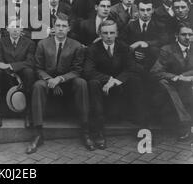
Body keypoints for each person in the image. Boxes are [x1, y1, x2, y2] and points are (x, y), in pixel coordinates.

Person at [27, 14, 93, 154]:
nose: (61, 29)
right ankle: (38, 133)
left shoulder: (76, 46)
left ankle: (85, 131)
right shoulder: (43, 44)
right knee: (38, 86)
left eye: (64, 26)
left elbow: (77, 70)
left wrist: (60, 79)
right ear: (53, 27)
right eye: (58, 25)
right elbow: (38, 68)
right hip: (48, 81)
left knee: (81, 83)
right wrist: (50, 80)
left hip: (67, 82)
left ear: (69, 28)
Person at [84, 20, 146, 149]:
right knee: (93, 83)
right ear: (100, 34)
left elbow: (131, 68)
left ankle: (143, 127)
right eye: (105, 33)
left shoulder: (124, 47)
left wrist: (116, 81)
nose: (108, 36)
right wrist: (108, 79)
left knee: (136, 80)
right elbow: (88, 71)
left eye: (112, 32)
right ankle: (98, 132)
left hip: (120, 87)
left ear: (117, 33)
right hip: (102, 86)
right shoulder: (92, 49)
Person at [151, 23, 193, 141]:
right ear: (177, 36)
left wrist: (186, 76)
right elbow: (155, 71)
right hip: (170, 86)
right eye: (184, 34)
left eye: (190, 34)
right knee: (164, 83)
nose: (187, 37)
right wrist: (177, 77)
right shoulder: (167, 49)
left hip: (188, 84)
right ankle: (185, 123)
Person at [0, 19, 36, 128]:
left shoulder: (29, 43)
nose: (15, 30)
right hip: (6, 75)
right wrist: (7, 68)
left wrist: (10, 66)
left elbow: (30, 62)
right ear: (7, 28)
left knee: (29, 72)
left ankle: (28, 114)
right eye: (13, 26)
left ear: (21, 29)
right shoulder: (0, 42)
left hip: (22, 74)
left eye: (18, 27)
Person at [123, 0, 167, 71]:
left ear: (153, 10)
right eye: (142, 10)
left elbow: (164, 41)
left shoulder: (160, 25)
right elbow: (122, 42)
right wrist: (132, 51)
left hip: (152, 63)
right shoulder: (130, 25)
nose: (145, 13)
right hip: (133, 63)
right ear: (138, 10)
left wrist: (145, 43)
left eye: (148, 10)